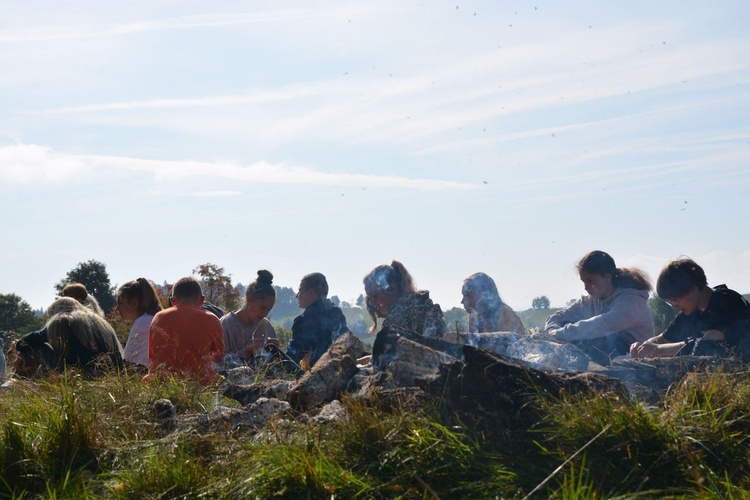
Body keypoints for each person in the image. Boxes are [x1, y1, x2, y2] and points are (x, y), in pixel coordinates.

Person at [544, 251, 654, 365]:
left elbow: (601, 325)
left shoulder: (631, 302)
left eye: (590, 281)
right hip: (611, 356)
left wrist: (561, 334)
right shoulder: (592, 300)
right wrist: (552, 331)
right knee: (570, 328)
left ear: (607, 277)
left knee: (598, 339)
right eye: (584, 281)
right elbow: (559, 316)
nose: (586, 287)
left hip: (636, 360)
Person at [630, 258, 750, 360]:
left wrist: (658, 350)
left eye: (675, 299)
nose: (674, 306)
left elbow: (706, 345)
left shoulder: (725, 300)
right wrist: (644, 346)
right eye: (669, 302)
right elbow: (663, 338)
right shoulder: (692, 309)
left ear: (693, 289)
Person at [363, 260, 448, 368]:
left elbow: (380, 364)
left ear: (391, 290)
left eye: (374, 296)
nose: (371, 302)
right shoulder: (422, 304)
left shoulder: (397, 320)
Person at [147, 277, 224, 384]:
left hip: (160, 383)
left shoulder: (158, 317)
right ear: (202, 300)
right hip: (199, 385)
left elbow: (153, 355)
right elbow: (219, 358)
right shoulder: (212, 319)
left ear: (172, 301)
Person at [286, 272, 349, 369]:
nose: (297, 295)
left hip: (317, 374)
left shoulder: (303, 320)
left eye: (300, 290)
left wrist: (273, 350)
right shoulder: (337, 313)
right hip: (340, 368)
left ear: (311, 292)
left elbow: (292, 356)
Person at [44, 297, 124, 373]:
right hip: (113, 372)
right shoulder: (99, 321)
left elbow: (36, 337)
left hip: (84, 375)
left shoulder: (61, 321)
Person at [221, 270, 278, 364]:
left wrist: (274, 350)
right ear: (249, 298)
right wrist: (246, 352)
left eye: (269, 310)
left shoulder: (266, 326)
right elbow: (218, 361)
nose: (265, 314)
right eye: (262, 308)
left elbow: (273, 364)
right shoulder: (226, 324)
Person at [117, 278, 163, 367]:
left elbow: (128, 363)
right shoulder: (154, 319)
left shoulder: (142, 322)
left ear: (134, 303)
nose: (117, 308)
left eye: (120, 303)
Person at [461, 272, 526, 334]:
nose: (462, 301)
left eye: (468, 295)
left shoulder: (504, 314)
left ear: (483, 294)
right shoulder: (474, 316)